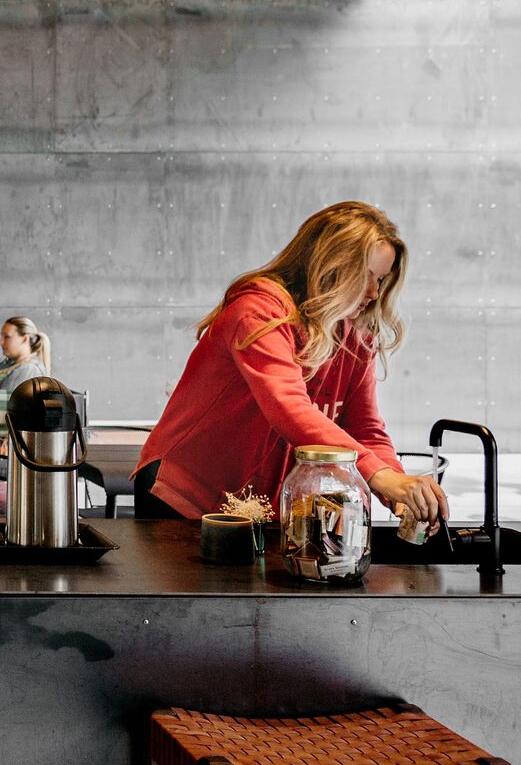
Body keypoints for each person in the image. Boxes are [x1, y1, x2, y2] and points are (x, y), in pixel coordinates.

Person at [133, 201, 447, 528]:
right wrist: (379, 474)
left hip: (253, 507)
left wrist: (397, 488)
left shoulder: (354, 334)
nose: (373, 292)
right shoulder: (258, 313)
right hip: (184, 494)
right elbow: (289, 407)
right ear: (329, 266)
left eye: (380, 280)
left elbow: (364, 427)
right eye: (365, 276)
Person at [0, 316, 52, 394]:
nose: (1, 342)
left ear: (25, 339)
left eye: (7, 337)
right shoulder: (4, 362)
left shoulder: (29, 369)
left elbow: (6, 403)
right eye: (2, 336)